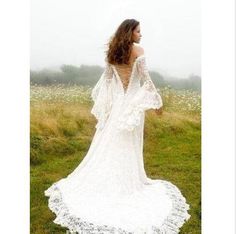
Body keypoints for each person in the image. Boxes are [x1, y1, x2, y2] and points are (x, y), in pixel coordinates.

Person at [44, 19, 191, 233]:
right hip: (131, 106)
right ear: (130, 32)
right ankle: (125, 184)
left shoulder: (112, 52)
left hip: (117, 107)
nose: (141, 35)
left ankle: (110, 180)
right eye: (139, 31)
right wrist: (157, 102)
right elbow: (146, 80)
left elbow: (106, 80)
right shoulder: (138, 50)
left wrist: (107, 106)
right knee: (126, 143)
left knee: (110, 140)